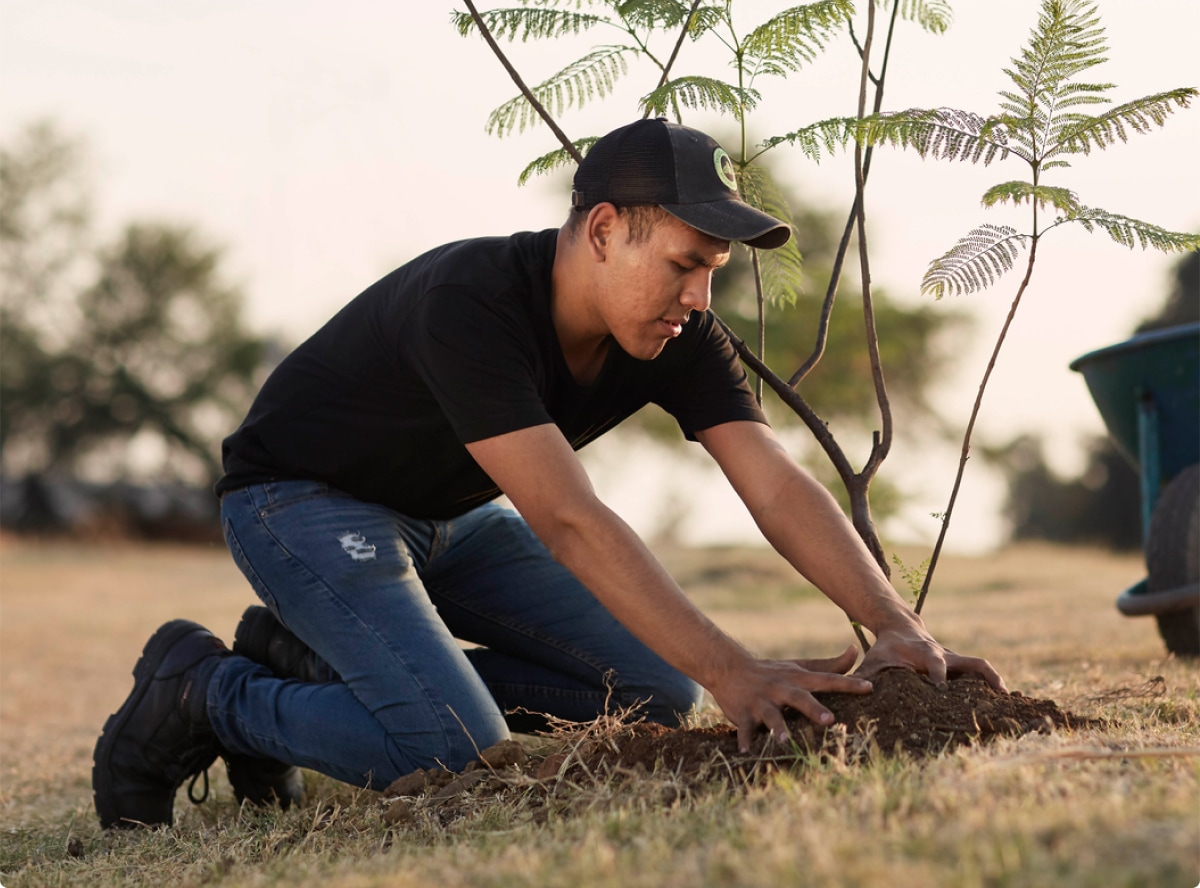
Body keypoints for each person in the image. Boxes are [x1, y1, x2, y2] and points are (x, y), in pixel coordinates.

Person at [92, 117, 1003, 829]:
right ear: (604, 230)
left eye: (714, 272)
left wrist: (892, 624)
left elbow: (771, 480)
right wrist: (736, 670)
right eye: (686, 264)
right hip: (300, 503)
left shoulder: (678, 332)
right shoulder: (472, 303)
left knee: (658, 692)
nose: (700, 296)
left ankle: (325, 664)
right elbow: (570, 521)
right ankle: (207, 692)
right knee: (453, 747)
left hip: (450, 520)